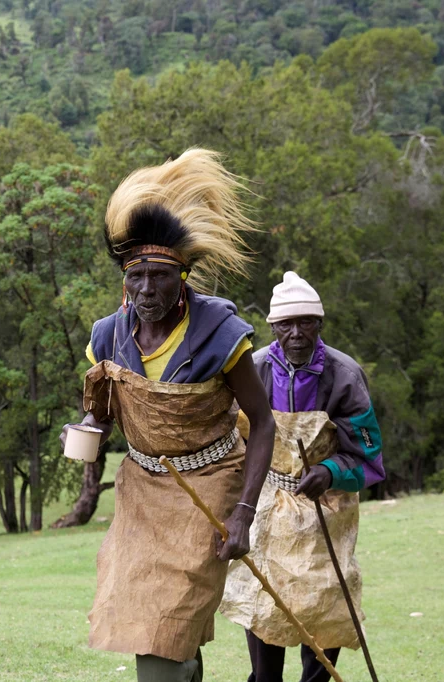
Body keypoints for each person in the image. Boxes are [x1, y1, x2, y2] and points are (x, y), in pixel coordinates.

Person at [60, 149, 276, 682]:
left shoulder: (219, 333)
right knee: (150, 623)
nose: (147, 291)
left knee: (163, 636)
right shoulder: (108, 335)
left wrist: (243, 514)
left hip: (209, 488)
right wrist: (88, 431)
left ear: (182, 275)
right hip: (141, 494)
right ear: (123, 278)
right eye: (137, 277)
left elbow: (263, 422)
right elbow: (102, 414)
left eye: (161, 276)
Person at [220, 271, 386, 682]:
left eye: (306, 322)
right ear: (273, 327)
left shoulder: (345, 375)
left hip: (325, 508)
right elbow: (230, 437)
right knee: (267, 598)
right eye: (286, 324)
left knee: (325, 598)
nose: (296, 334)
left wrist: (330, 473)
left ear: (319, 324)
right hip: (267, 504)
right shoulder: (253, 368)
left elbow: (368, 458)